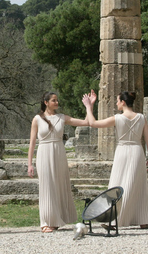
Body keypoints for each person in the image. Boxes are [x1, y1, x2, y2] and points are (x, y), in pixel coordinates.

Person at [82, 90, 148, 229]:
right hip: (137, 151)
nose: (116, 103)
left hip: (122, 151)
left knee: (116, 184)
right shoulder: (142, 118)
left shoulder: (117, 118)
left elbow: (93, 123)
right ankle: (143, 219)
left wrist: (89, 106)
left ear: (123, 102)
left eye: (117, 101)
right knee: (139, 185)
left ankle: (113, 220)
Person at [27, 92, 88, 233]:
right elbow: (31, 143)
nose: (57, 102)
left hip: (59, 153)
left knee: (59, 186)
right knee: (46, 187)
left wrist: (88, 106)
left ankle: (56, 220)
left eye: (57, 100)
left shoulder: (62, 118)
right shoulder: (37, 119)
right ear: (46, 102)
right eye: (54, 100)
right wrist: (29, 164)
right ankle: (46, 222)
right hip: (44, 153)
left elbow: (85, 122)